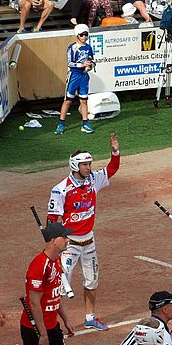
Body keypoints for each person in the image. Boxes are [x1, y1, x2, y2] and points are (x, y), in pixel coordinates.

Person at [47, 136, 121, 331]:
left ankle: (90, 317)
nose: (89, 167)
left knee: (92, 280)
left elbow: (112, 169)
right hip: (69, 244)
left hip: (89, 241)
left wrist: (115, 152)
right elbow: (52, 219)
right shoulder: (60, 190)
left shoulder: (94, 180)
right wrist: (54, 244)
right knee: (62, 285)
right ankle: (54, 324)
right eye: (85, 164)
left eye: (90, 164)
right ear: (74, 165)